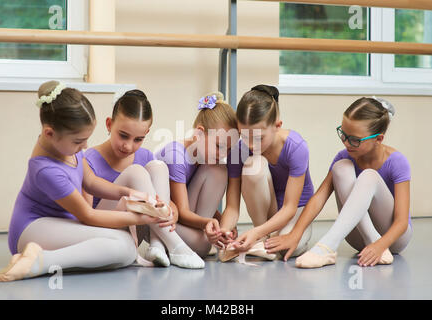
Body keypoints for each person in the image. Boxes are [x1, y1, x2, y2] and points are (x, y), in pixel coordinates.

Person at [0, 81, 162, 282]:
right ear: (49, 133)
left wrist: (127, 192)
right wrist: (141, 219)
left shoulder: (67, 149)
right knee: (125, 248)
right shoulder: (46, 170)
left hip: (61, 224)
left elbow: (90, 181)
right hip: (31, 229)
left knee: (125, 245)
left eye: (85, 139)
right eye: (78, 141)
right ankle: (39, 261)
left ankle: (39, 258)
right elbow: (88, 214)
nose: (85, 146)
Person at [266, 97, 412, 268]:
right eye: (343, 134)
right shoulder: (344, 156)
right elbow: (319, 197)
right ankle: (368, 237)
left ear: (378, 139)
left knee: (369, 176)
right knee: (341, 167)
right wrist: (295, 234)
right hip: (359, 238)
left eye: (355, 139)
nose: (346, 142)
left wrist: (379, 246)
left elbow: (402, 222)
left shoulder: (397, 162)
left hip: (393, 239)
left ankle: (327, 246)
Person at [84, 89, 204, 268]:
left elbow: (165, 202)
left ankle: (157, 245)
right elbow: (86, 216)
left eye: (138, 139)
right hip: (107, 230)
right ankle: (175, 246)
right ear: (109, 124)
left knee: (158, 166)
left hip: (143, 231)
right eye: (123, 135)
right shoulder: (89, 160)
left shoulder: (146, 156)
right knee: (136, 172)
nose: (128, 145)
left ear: (147, 133)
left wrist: (173, 211)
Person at [206, 85, 314, 259]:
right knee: (254, 165)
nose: (250, 144)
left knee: (285, 248)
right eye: (244, 135)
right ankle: (263, 237)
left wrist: (255, 233)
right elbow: (232, 206)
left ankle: (262, 238)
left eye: (258, 138)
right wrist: (224, 231)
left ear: (277, 126)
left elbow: (289, 207)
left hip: (295, 212)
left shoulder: (296, 148)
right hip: (265, 215)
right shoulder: (238, 151)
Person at [155, 92, 238, 258]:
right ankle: (170, 244)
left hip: (181, 218)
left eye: (228, 150)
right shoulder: (176, 155)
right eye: (219, 146)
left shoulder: (202, 157)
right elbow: (183, 212)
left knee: (219, 169)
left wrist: (221, 224)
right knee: (203, 245)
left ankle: (204, 236)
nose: (223, 154)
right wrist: (208, 224)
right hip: (163, 221)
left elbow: (198, 200)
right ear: (199, 134)